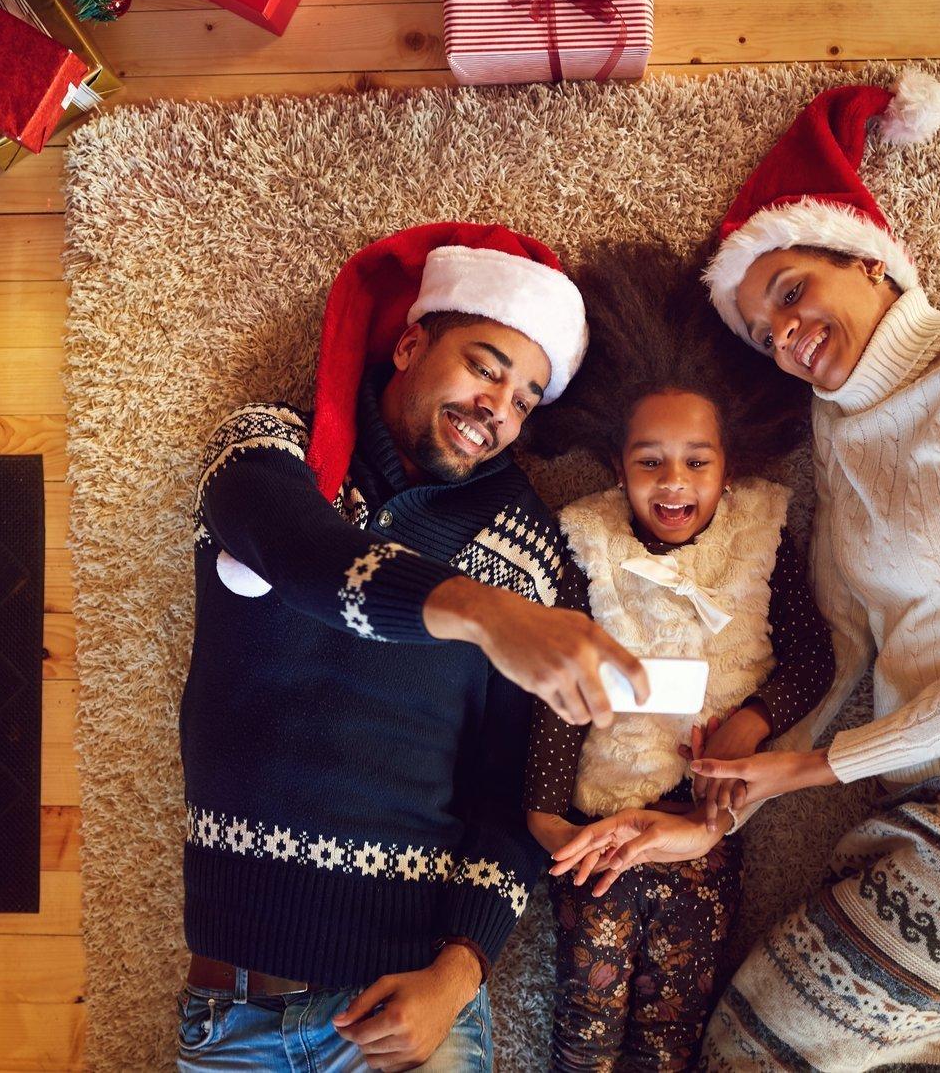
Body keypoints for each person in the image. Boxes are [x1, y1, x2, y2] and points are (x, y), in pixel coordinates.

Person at [550, 74, 940, 1071]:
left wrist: (814, 767)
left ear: (867, 258)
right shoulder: (835, 435)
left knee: (745, 1048)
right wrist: (714, 810)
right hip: (911, 815)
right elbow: (848, 663)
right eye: (762, 331)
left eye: (788, 291)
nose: (784, 334)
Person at [177, 222, 649, 1072]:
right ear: (408, 343)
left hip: (409, 1010)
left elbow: (505, 796)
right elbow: (300, 556)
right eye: (484, 368)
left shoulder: (530, 555)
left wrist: (459, 974)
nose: (496, 412)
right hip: (233, 1007)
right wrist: (479, 613)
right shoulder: (268, 447)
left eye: (525, 400)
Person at [519, 250, 835, 1071]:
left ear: (728, 466)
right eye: (648, 461)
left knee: (669, 1029)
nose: (673, 482)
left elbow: (809, 657)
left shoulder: (762, 533)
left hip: (705, 825)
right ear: (616, 468)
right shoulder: (583, 542)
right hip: (595, 826)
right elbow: (554, 691)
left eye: (696, 460)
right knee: (584, 1028)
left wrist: (750, 726)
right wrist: (547, 818)